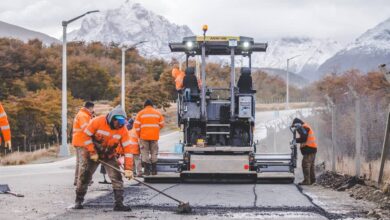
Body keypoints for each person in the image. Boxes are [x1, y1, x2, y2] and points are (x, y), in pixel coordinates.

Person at [75, 106, 137, 211]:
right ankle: (79, 201)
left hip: (109, 155)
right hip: (92, 153)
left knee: (116, 177)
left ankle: (119, 204)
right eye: (119, 122)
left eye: (123, 123)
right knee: (85, 176)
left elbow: (128, 151)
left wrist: (128, 169)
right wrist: (92, 152)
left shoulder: (123, 130)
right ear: (113, 119)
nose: (120, 125)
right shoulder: (97, 121)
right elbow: (85, 137)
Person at [134, 99, 164, 176]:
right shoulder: (157, 113)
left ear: (144, 105)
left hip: (143, 137)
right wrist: (155, 130)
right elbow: (162, 124)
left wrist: (139, 135)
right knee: (154, 152)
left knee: (145, 153)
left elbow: (136, 126)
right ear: (152, 105)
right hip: (154, 137)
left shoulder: (140, 113)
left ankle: (147, 171)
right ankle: (154, 170)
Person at [72, 101, 95, 186]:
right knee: (83, 163)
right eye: (93, 109)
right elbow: (87, 129)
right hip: (82, 142)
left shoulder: (81, 114)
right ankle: (82, 181)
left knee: (80, 162)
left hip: (79, 141)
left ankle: (77, 180)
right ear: (90, 108)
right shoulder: (83, 116)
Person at [291, 118, 317, 185]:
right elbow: (304, 137)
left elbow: (304, 138)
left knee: (305, 164)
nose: (296, 129)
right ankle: (312, 180)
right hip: (312, 149)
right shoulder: (305, 127)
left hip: (309, 149)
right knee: (310, 166)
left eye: (295, 126)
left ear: (298, 124)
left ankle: (307, 181)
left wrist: (295, 140)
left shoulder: (303, 128)